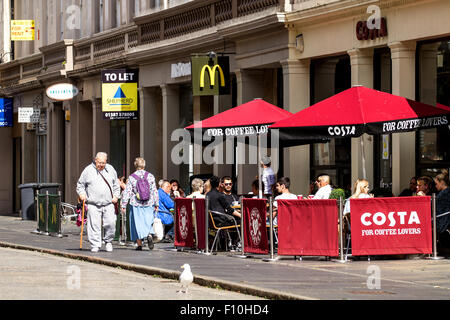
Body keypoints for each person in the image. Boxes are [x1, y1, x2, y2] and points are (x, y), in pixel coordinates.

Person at [76, 152, 120, 253]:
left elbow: (116, 185)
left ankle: (108, 241)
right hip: (93, 203)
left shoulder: (111, 169)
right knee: (94, 225)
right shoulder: (88, 170)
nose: (101, 165)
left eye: (103, 163)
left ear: (106, 161)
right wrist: (82, 194)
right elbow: (80, 184)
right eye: (99, 162)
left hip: (108, 202)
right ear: (95, 160)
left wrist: (116, 196)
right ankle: (95, 244)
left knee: (111, 223)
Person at [120, 157, 159, 251]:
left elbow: (128, 191)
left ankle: (139, 244)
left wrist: (123, 204)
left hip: (136, 203)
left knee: (136, 224)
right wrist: (156, 203)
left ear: (135, 165)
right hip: (148, 202)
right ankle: (149, 234)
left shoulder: (132, 177)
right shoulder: (150, 176)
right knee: (148, 221)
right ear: (144, 165)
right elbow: (154, 191)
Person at [435, 169, 450, 236]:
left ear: (442, 182)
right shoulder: (445, 192)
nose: (435, 186)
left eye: (436, 184)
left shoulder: (444, 193)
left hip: (443, 223)